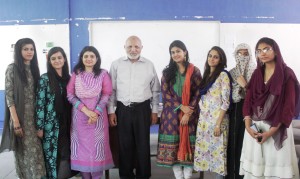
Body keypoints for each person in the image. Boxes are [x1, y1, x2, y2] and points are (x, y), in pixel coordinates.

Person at [240, 37, 300, 179]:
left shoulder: (287, 74)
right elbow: (248, 100)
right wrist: (248, 126)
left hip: (277, 128)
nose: (263, 53)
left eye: (267, 49)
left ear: (276, 51)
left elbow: (288, 107)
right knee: (257, 170)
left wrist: (270, 132)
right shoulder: (257, 74)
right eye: (259, 51)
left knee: (275, 170)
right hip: (255, 128)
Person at [108, 35, 160, 179]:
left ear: (141, 48)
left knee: (143, 145)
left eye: (136, 46)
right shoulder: (116, 64)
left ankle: (143, 175)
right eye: (130, 46)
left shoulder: (149, 65)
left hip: (143, 109)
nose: (133, 49)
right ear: (124, 47)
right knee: (125, 145)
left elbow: (155, 90)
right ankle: (126, 175)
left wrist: (154, 111)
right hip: (122, 109)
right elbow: (111, 90)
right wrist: (111, 111)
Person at [0, 38, 46, 178]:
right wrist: (16, 122)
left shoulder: (34, 69)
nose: (29, 52)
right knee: (24, 154)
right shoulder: (12, 68)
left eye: (31, 49)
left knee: (37, 154)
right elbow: (9, 97)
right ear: (19, 51)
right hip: (20, 119)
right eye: (25, 49)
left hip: (35, 119)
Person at [156, 40, 202, 179]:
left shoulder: (194, 71)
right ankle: (178, 177)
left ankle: (187, 177)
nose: (175, 54)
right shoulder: (167, 72)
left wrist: (189, 111)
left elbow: (199, 92)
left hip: (191, 115)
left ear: (185, 52)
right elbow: (165, 94)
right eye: (173, 52)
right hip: (171, 115)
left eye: (178, 51)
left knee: (189, 146)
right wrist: (181, 106)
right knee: (174, 148)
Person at [67, 46, 114, 178]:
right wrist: (86, 111)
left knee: (97, 149)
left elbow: (106, 94)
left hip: (98, 119)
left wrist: (96, 113)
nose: (89, 59)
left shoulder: (103, 74)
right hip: (79, 118)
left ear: (97, 58)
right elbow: (70, 95)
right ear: (81, 58)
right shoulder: (76, 74)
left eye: (92, 56)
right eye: (86, 56)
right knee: (81, 150)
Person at [36, 47, 78, 178]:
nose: (57, 61)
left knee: (66, 151)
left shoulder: (69, 79)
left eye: (59, 58)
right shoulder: (44, 79)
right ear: (49, 61)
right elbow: (40, 104)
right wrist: (40, 127)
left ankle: (64, 175)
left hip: (68, 122)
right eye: (53, 59)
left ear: (64, 59)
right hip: (51, 125)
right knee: (52, 154)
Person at [194, 46, 231, 179]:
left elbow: (225, 102)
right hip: (205, 121)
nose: (212, 59)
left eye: (216, 57)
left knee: (218, 156)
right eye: (210, 55)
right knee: (205, 154)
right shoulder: (207, 75)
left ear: (221, 60)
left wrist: (218, 124)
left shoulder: (223, 75)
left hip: (217, 121)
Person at [226, 43, 255, 179]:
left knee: (246, 142)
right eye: (240, 53)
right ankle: (230, 174)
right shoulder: (231, 72)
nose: (242, 56)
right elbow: (227, 93)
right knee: (233, 141)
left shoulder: (256, 71)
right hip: (234, 111)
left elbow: (258, 94)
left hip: (251, 112)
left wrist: (246, 86)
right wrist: (238, 90)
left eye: (245, 53)